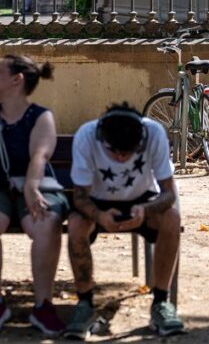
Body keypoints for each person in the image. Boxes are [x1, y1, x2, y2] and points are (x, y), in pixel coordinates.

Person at [0, 54, 69, 336]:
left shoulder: (41, 116)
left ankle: (43, 304)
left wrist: (32, 187)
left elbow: (40, 154)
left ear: (16, 80)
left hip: (35, 184)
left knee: (46, 221)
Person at [65, 103, 185, 339]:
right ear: (102, 138)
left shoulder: (154, 133)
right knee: (77, 224)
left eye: (128, 152)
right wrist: (99, 216)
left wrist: (145, 210)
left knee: (171, 218)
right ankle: (85, 304)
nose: (121, 158)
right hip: (98, 201)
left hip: (143, 200)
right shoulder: (87, 136)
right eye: (114, 152)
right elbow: (79, 196)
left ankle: (161, 302)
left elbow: (169, 193)